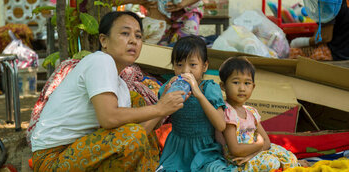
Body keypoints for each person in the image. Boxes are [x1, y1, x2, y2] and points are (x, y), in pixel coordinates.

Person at [30, 11, 186, 171]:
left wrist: (162, 106)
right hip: (52, 159)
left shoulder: (121, 86)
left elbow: (140, 133)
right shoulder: (100, 60)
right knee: (133, 130)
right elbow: (109, 118)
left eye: (138, 36)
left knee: (136, 103)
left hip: (80, 150)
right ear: (104, 40)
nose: (133, 41)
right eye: (125, 33)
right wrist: (159, 108)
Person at [157, 35, 235, 171]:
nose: (186, 71)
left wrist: (198, 94)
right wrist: (165, 98)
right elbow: (157, 123)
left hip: (205, 150)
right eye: (179, 65)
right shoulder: (168, 88)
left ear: (204, 66)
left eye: (193, 65)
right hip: (177, 150)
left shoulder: (209, 88)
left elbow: (221, 125)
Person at [216, 56, 299, 171]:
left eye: (247, 83)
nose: (242, 88)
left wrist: (255, 153)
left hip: (254, 153)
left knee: (289, 156)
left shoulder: (251, 112)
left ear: (253, 87)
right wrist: (259, 145)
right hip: (238, 159)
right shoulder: (228, 112)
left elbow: (267, 142)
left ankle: (293, 164)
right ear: (223, 86)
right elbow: (235, 149)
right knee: (271, 163)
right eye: (236, 82)